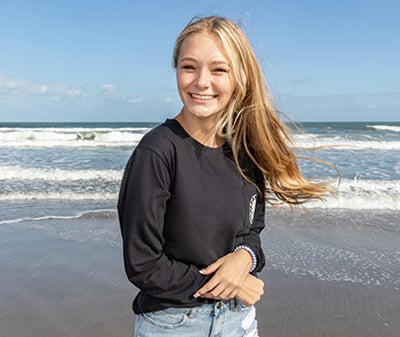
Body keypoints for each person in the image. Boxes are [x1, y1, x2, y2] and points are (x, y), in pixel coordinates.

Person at [118, 16, 332, 337]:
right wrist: (230, 284)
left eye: (218, 69)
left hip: (240, 321)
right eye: (189, 67)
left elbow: (251, 232)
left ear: (238, 78)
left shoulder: (245, 152)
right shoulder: (158, 151)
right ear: (176, 70)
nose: (201, 82)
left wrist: (244, 259)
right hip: (174, 324)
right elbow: (143, 264)